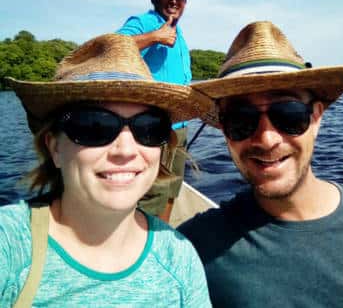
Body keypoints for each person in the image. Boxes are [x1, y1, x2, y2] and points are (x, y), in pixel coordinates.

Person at [178, 21, 343, 307]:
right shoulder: (191, 249)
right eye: (241, 120)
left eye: (288, 114)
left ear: (316, 118)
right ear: (225, 132)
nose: (266, 139)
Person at [0, 34, 213, 307]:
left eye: (148, 127)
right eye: (94, 126)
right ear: (54, 148)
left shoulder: (180, 258)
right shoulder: (10, 245)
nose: (125, 150)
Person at [117, 0, 193, 222]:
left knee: (172, 189)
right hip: (152, 127)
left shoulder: (178, 32)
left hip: (179, 127)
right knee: (153, 193)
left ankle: (162, 238)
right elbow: (113, 46)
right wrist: (154, 37)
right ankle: (138, 247)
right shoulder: (144, 22)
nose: (174, 0)